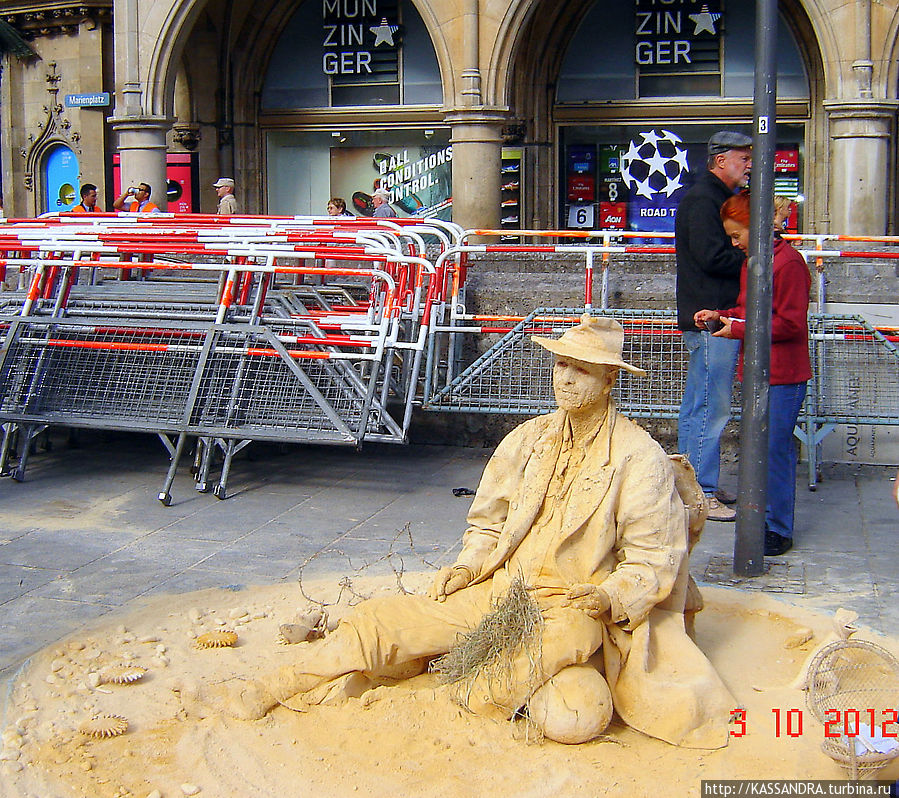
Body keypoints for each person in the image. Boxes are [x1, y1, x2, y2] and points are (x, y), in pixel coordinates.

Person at [187, 316, 736, 749]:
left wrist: (608, 595)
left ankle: (449, 694)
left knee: (572, 694)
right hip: (502, 590)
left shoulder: (640, 459)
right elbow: (487, 520)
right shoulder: (527, 439)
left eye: (582, 369)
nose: (565, 379)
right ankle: (282, 682)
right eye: (560, 365)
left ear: (611, 379)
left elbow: (653, 561)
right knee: (386, 617)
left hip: (573, 610)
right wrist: (471, 564)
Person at [695, 191, 812, 556]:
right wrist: (722, 316)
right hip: (762, 371)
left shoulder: (788, 263)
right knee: (762, 449)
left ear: (756, 227)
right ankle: (768, 521)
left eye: (737, 235)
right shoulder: (757, 262)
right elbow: (750, 310)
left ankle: (777, 526)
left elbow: (791, 324)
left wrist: (737, 326)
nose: (734, 243)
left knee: (773, 450)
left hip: (782, 374)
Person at [675, 131, 753, 522]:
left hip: (708, 313)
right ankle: (701, 492)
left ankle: (691, 485)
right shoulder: (704, 199)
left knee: (698, 405)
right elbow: (710, 256)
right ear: (720, 160)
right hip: (713, 317)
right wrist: (754, 261)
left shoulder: (709, 197)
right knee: (710, 406)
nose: (748, 165)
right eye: (742, 158)